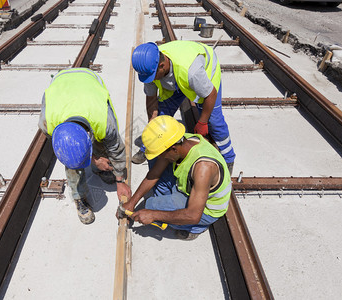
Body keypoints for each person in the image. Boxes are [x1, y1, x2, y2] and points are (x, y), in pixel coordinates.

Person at [38, 67, 131, 224]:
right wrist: (94, 160)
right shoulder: (47, 123)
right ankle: (79, 198)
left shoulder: (104, 121)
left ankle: (101, 168)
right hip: (60, 84)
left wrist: (120, 181)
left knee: (104, 144)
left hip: (88, 79)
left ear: (90, 135)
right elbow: (68, 153)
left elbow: (116, 149)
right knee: (72, 160)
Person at [131, 40, 235, 174]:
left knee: (214, 120)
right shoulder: (149, 68)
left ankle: (228, 158)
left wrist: (202, 122)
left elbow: (211, 94)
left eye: (152, 77)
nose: (150, 80)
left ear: (162, 66)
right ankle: (147, 147)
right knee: (161, 116)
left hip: (205, 73)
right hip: (176, 80)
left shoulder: (192, 72)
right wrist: (153, 121)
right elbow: (151, 98)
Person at [120, 115, 231, 240]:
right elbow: (154, 174)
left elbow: (193, 215)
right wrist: (132, 202)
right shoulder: (182, 141)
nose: (162, 157)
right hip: (189, 188)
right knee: (156, 162)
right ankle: (168, 205)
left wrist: (153, 214)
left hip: (205, 209)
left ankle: (195, 228)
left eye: (163, 154)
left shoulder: (204, 168)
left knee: (152, 205)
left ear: (173, 149)